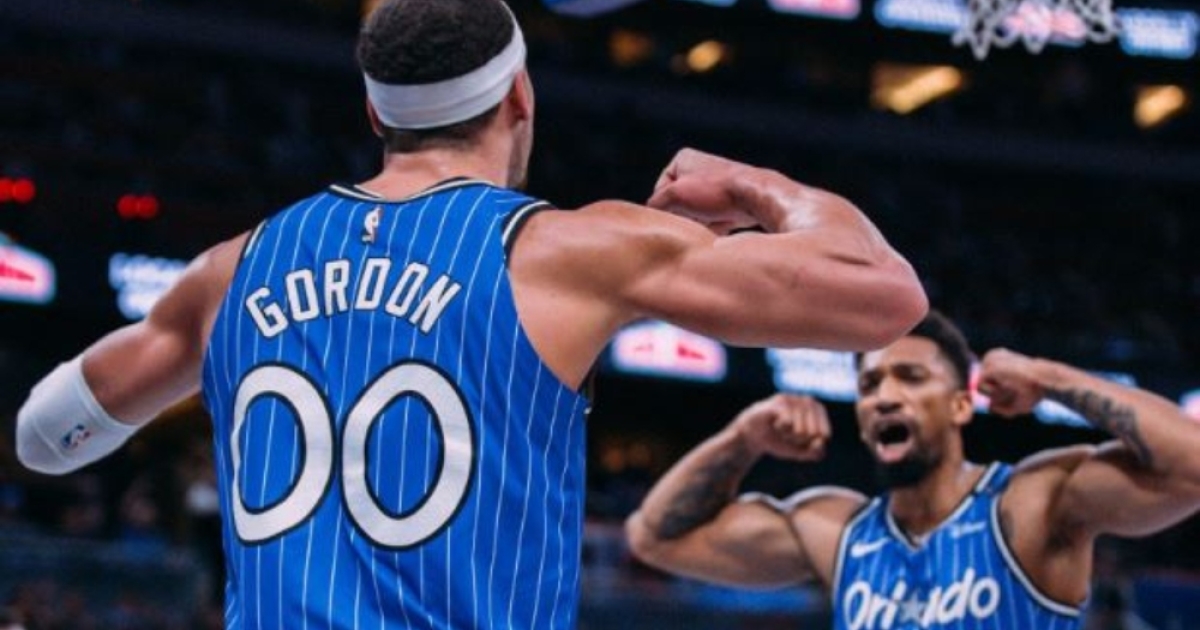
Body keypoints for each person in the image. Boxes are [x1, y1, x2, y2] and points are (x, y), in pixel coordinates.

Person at [12, 0, 926, 628]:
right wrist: (751, 183)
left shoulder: (232, 269)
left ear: (376, 114)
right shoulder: (569, 251)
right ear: (520, 96)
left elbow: (44, 439)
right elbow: (885, 293)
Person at [627, 311, 1200, 630]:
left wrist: (1050, 377)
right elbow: (654, 538)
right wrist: (743, 438)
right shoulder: (837, 532)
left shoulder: (1030, 504)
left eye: (911, 378)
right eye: (870, 384)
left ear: (960, 405)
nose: (885, 396)